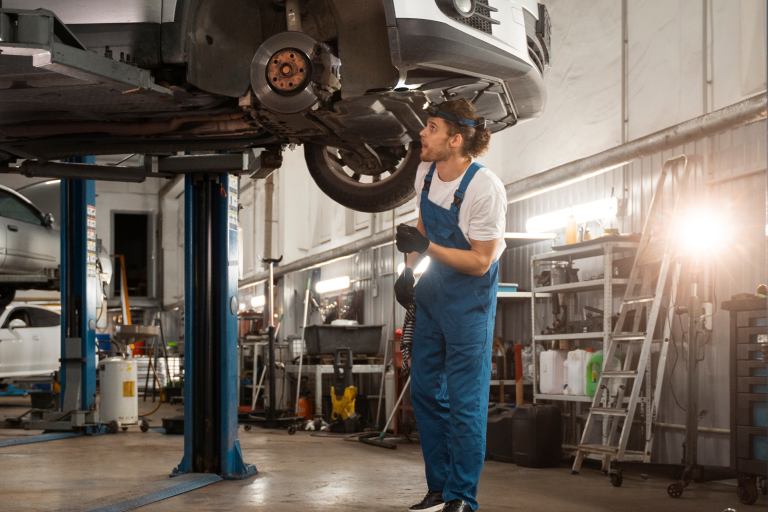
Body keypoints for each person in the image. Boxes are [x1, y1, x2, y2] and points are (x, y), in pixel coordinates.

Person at [395, 99, 507, 512]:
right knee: (425, 393)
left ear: (456, 140)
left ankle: (461, 496)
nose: (421, 134)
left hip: (469, 301)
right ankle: (438, 488)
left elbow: (479, 262)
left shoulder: (484, 188)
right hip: (432, 292)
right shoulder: (426, 171)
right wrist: (410, 269)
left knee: (465, 400)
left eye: (431, 127)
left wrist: (426, 248)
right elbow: (422, 229)